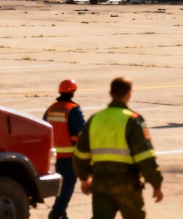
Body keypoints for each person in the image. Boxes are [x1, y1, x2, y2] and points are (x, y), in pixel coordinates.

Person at [73, 77, 163, 219]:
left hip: (101, 183)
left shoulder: (95, 118)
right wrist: (156, 183)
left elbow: (80, 154)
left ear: (110, 93)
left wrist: (84, 177)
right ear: (129, 93)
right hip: (127, 185)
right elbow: (145, 156)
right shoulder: (133, 120)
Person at [43, 79, 86, 219]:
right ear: (72, 92)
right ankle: (56, 212)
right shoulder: (72, 109)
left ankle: (62, 213)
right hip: (69, 154)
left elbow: (44, 127)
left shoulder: (51, 108)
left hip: (56, 154)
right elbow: (82, 131)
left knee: (62, 185)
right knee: (68, 184)